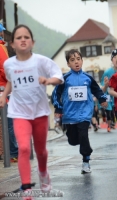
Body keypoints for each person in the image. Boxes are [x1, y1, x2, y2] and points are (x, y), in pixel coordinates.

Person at [0, 24, 64, 199]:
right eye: (18, 38)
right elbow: (10, 81)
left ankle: (43, 172)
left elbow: (59, 76)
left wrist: (48, 80)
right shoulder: (8, 64)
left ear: (32, 42)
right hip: (19, 112)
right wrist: (4, 95)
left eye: (26, 37)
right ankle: (26, 188)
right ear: (12, 44)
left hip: (40, 112)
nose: (22, 40)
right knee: (24, 148)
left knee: (41, 150)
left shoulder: (41, 61)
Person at [52, 49, 108, 174]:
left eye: (78, 59)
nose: (76, 62)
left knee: (83, 134)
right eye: (72, 60)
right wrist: (58, 107)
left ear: (82, 61)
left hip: (85, 113)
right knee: (73, 140)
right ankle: (82, 144)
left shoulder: (88, 78)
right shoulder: (64, 78)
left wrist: (102, 99)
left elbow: (97, 90)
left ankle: (86, 161)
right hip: (69, 114)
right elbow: (56, 94)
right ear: (68, 64)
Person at [0, 23, 18, 162]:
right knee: (10, 123)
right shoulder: (1, 48)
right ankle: (13, 153)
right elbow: (5, 69)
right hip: (3, 90)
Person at [101, 48, 117, 130]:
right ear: (112, 60)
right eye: (115, 57)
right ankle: (110, 125)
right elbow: (102, 89)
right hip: (112, 100)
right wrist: (106, 86)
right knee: (111, 114)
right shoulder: (107, 72)